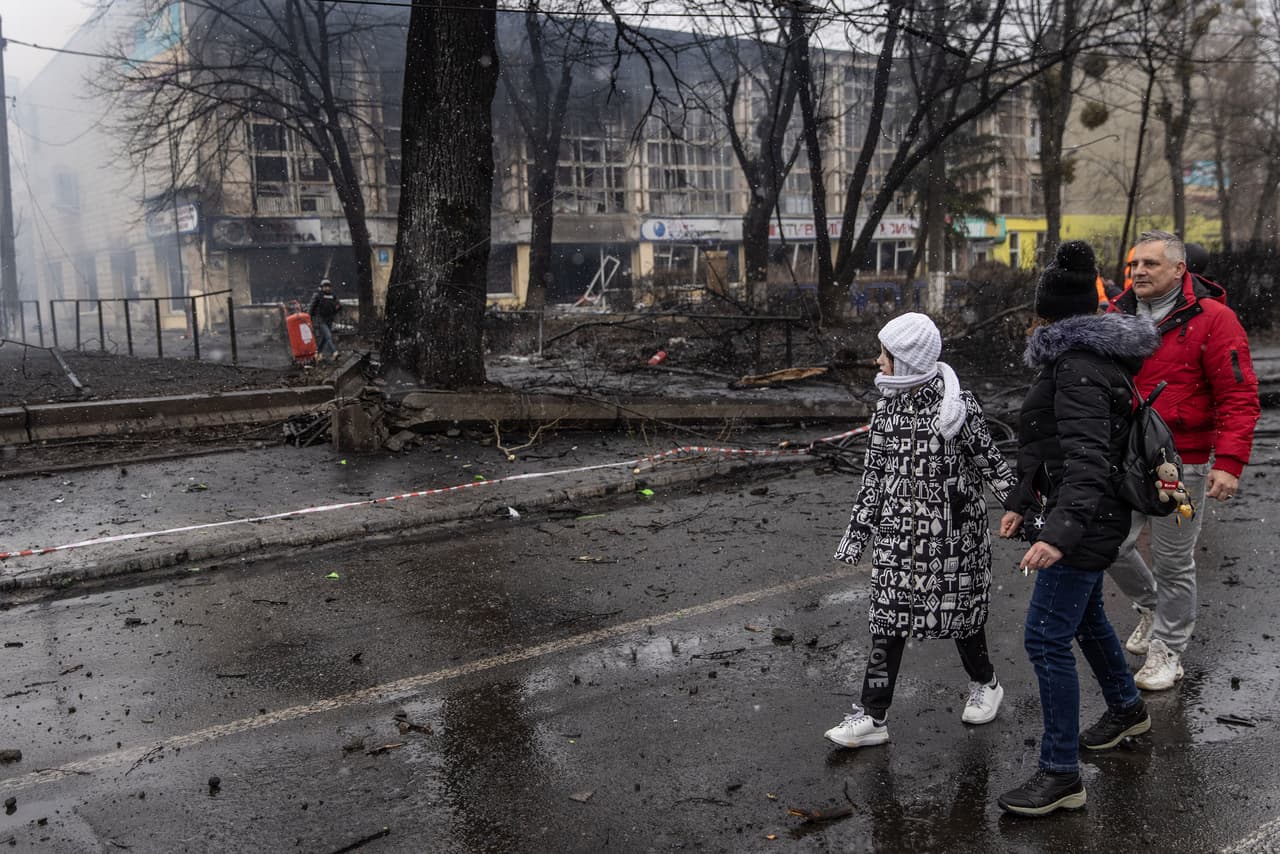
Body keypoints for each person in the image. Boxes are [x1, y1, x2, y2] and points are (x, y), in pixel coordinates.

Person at [997, 240, 1162, 817]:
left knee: (1045, 638)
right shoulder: (1078, 360)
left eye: (1035, 312)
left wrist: (1057, 534)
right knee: (1087, 620)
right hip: (1086, 514)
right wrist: (1023, 500)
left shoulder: (1078, 368)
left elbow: (1090, 460)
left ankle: (1061, 773)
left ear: (1049, 316)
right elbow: (1050, 445)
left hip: (1087, 521)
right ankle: (1126, 709)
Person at [825, 312, 1015, 749]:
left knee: (963, 622)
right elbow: (873, 479)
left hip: (954, 541)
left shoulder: (957, 408)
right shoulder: (886, 408)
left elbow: (992, 465)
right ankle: (873, 715)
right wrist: (857, 536)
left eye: (885, 355)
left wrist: (1032, 517)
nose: (878, 361)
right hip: (897, 542)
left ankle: (986, 683)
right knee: (886, 624)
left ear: (907, 360)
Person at [1106, 231, 1259, 691]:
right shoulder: (1116, 316)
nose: (1139, 274)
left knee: (1174, 562)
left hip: (1181, 464)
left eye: (1151, 264)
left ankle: (1168, 650)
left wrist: (1229, 462)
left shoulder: (1215, 319)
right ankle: (1153, 607)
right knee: (1108, 544)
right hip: (1123, 458)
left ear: (1179, 269)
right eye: (1134, 266)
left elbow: (1239, 395)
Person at [308, 278, 342, 362]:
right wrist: (309, 318)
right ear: (321, 287)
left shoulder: (333, 296)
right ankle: (334, 352)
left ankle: (318, 353)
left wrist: (338, 307)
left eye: (328, 286)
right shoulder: (318, 295)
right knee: (328, 336)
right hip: (320, 319)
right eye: (325, 286)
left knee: (324, 338)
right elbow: (311, 308)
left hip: (329, 319)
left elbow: (337, 306)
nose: (327, 288)